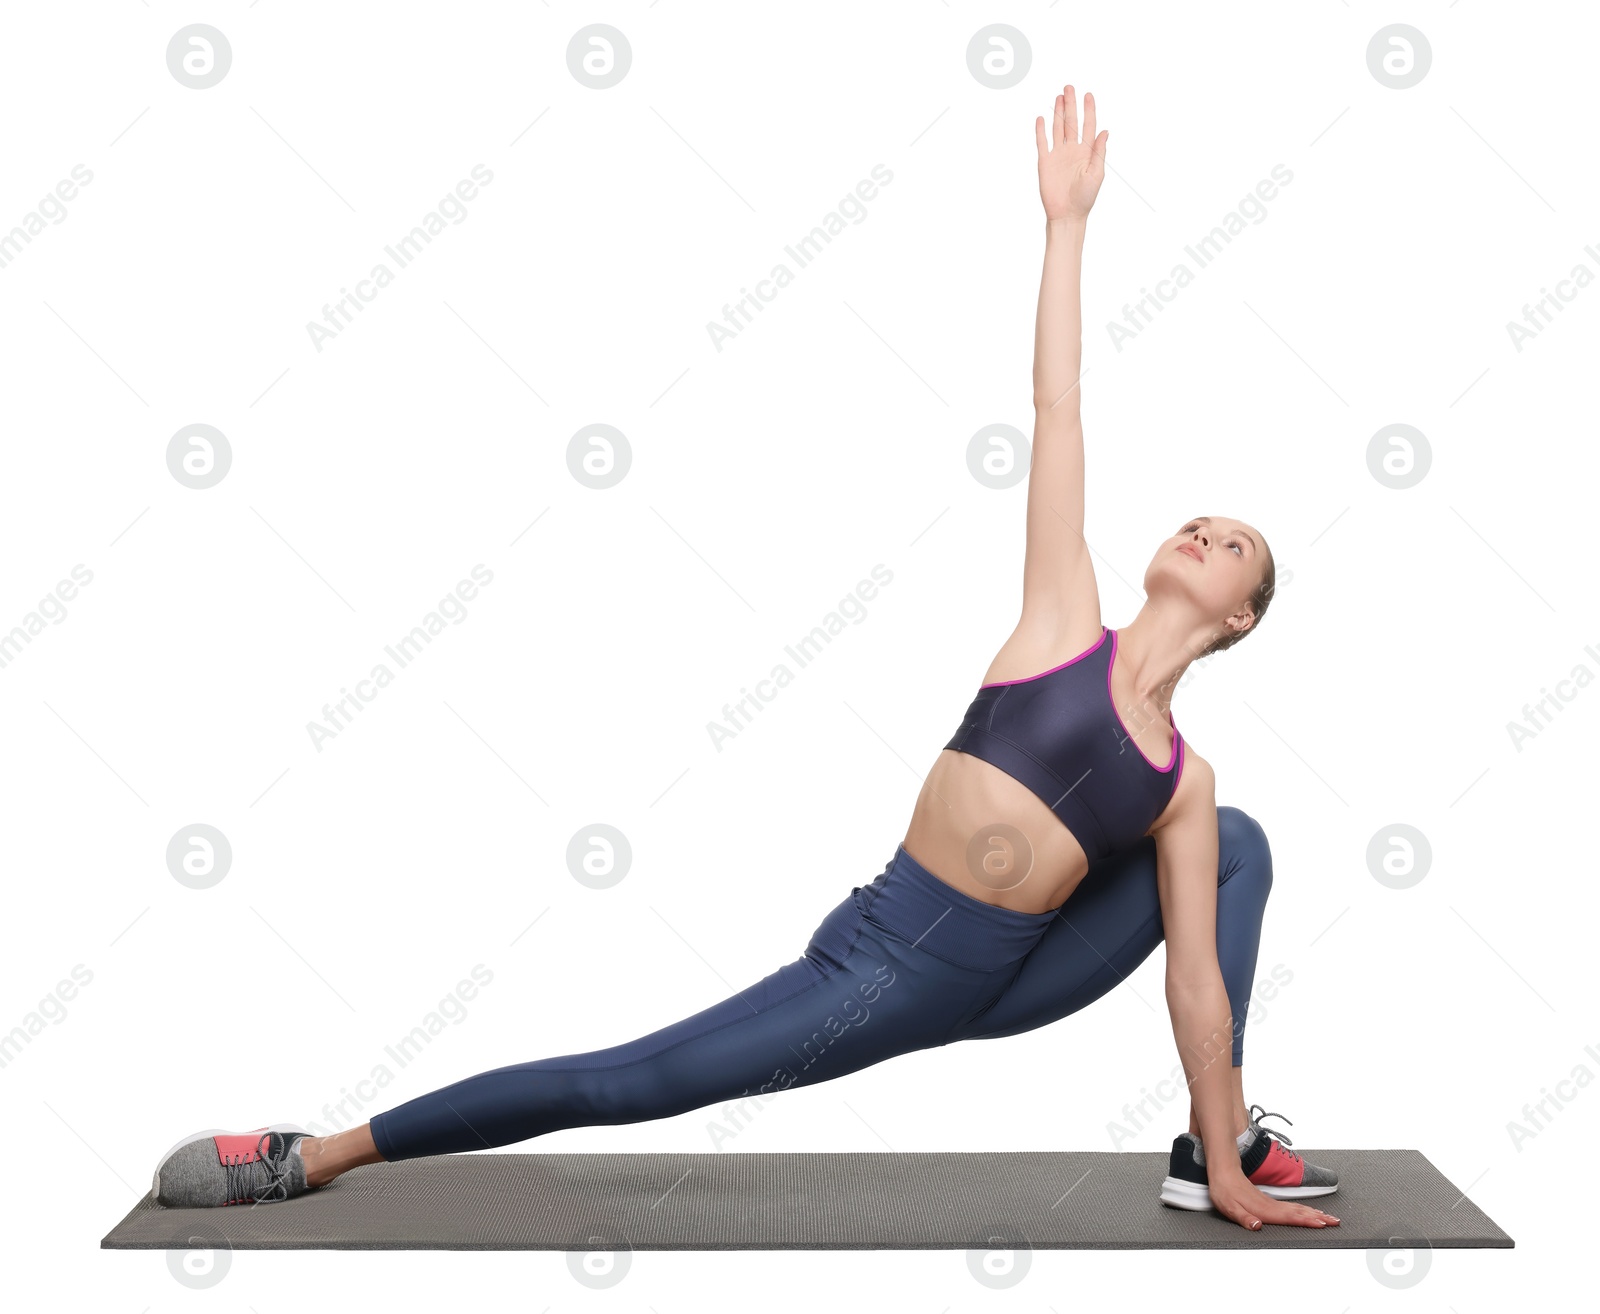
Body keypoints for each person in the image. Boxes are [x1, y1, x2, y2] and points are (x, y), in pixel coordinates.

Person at [152, 86, 1338, 1233]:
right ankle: (312, 1157)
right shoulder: (1061, 620)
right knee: (628, 1084)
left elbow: (1197, 985)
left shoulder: (1182, 785)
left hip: (1018, 977)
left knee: (1238, 846)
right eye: (1197, 518)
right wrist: (1066, 228)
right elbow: (1057, 406)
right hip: (883, 965)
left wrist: (1223, 1149)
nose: (1203, 532)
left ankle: (1213, 1145)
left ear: (1240, 617)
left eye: (1233, 545)